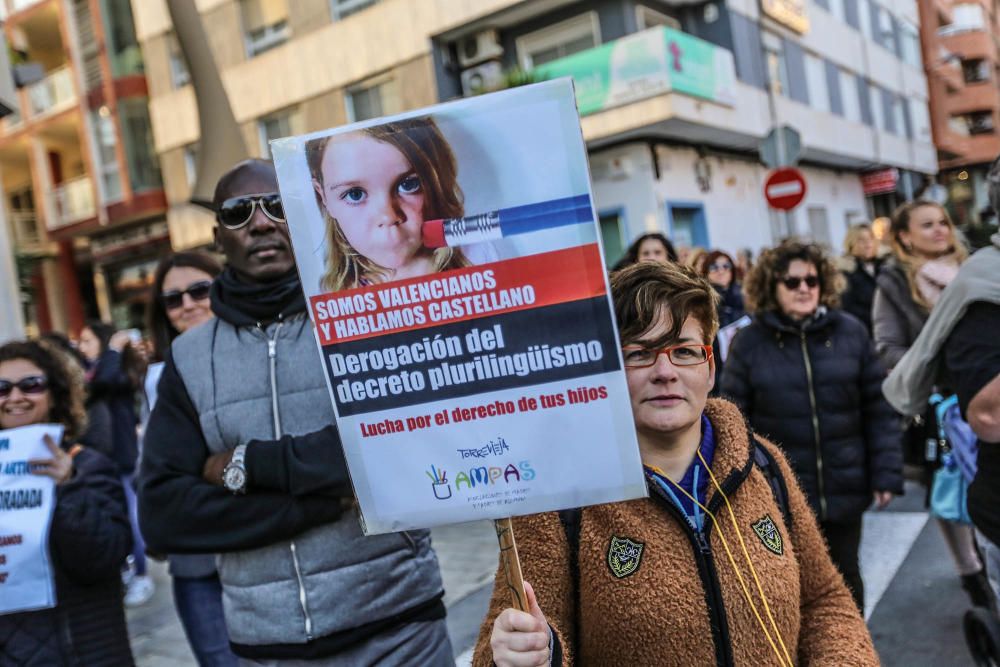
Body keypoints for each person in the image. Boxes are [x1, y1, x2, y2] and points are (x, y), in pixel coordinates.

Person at [473, 261, 878, 667]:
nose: (665, 372)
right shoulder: (559, 494)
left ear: (710, 367)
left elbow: (825, 601)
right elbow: (511, 636)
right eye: (640, 354)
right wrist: (528, 655)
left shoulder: (763, 464)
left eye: (684, 351)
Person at [139, 159, 451, 664]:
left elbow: (396, 449)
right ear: (218, 236)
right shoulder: (189, 358)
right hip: (266, 648)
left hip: (399, 632)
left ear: (309, 215)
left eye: (278, 206)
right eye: (239, 212)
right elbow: (163, 516)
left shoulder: (367, 314)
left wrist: (245, 465)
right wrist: (320, 507)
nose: (261, 222)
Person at [721, 240, 903, 612]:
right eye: (792, 282)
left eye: (812, 280)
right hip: (781, 492)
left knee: (845, 578)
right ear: (771, 286)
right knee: (789, 585)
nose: (804, 288)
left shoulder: (850, 332)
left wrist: (886, 474)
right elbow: (733, 420)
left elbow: (877, 409)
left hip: (846, 485)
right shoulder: (749, 342)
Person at [882, 157, 1000, 603]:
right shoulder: (900, 281)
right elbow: (890, 347)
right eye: (926, 224)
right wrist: (937, 367)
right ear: (905, 237)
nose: (939, 230)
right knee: (949, 487)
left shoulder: (971, 268)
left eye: (942, 222)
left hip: (964, 392)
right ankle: (969, 570)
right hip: (943, 400)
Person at [0, 340, 134, 666]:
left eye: (31, 385)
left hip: (81, 651)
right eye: (2, 388)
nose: (15, 397)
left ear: (55, 394)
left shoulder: (87, 466)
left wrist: (69, 487)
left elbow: (104, 558)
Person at [144, 251, 237, 667]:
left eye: (200, 290)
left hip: (264, 547)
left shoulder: (262, 354)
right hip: (196, 563)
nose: (188, 305)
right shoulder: (153, 379)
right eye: (173, 299)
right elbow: (157, 476)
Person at [306, 116, 469, 291]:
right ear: (323, 196)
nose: (388, 216)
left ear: (437, 184)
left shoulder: (479, 262)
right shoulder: (329, 298)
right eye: (355, 194)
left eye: (409, 185)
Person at [77, 320, 152, 607]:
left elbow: (107, 382)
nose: (82, 347)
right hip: (102, 454)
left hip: (122, 453)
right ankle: (127, 569)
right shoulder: (94, 367)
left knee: (131, 513)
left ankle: (141, 574)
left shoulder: (114, 366)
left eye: (87, 340)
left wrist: (111, 350)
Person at [838, 223, 883, 333]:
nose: (868, 244)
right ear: (851, 244)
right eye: (861, 240)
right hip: (865, 331)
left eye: (871, 239)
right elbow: (848, 307)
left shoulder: (885, 266)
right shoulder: (847, 272)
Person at [612, 232, 678, 269]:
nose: (652, 258)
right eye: (645, 253)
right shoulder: (625, 288)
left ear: (669, 256)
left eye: (658, 252)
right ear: (636, 259)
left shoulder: (681, 285)